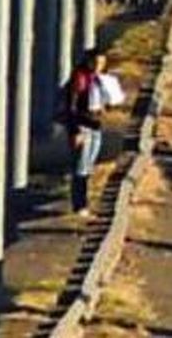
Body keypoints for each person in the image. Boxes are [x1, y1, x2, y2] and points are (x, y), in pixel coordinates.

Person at [64, 47, 108, 217]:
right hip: (82, 127)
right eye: (96, 62)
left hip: (95, 126)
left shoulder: (98, 79)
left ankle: (84, 202)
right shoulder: (80, 78)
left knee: (88, 167)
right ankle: (79, 204)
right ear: (88, 61)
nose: (99, 66)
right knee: (80, 168)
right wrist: (75, 131)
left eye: (102, 63)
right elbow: (71, 107)